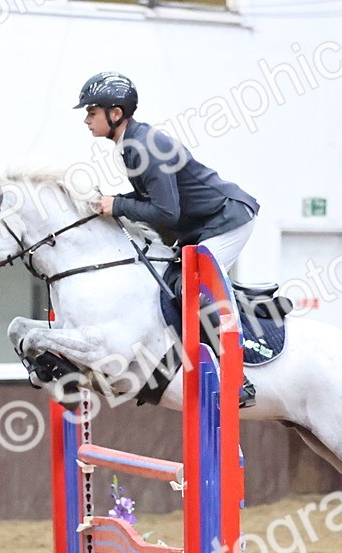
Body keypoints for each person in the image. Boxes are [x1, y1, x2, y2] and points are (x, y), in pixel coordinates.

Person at [75, 71, 260, 407]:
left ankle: (237, 379)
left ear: (115, 114)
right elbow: (156, 202)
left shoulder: (145, 145)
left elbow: (166, 213)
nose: (87, 120)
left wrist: (117, 204)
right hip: (203, 224)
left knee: (198, 285)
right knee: (171, 280)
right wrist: (116, 201)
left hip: (227, 218)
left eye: (92, 112)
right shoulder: (131, 144)